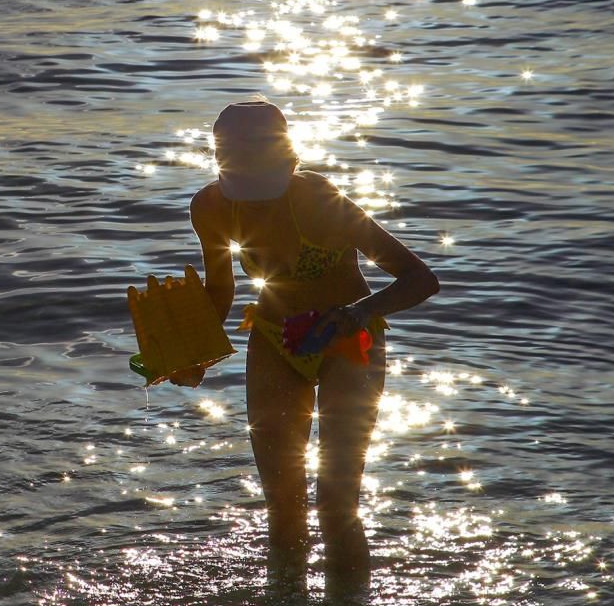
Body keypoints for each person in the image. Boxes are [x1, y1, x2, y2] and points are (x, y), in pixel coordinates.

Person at [184, 97, 438, 577]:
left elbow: (419, 278)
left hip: (349, 342)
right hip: (273, 340)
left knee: (336, 508)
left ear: (289, 159)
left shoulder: (321, 201)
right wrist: (191, 352)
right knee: (282, 511)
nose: (256, 201)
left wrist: (359, 312)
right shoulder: (211, 206)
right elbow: (221, 288)